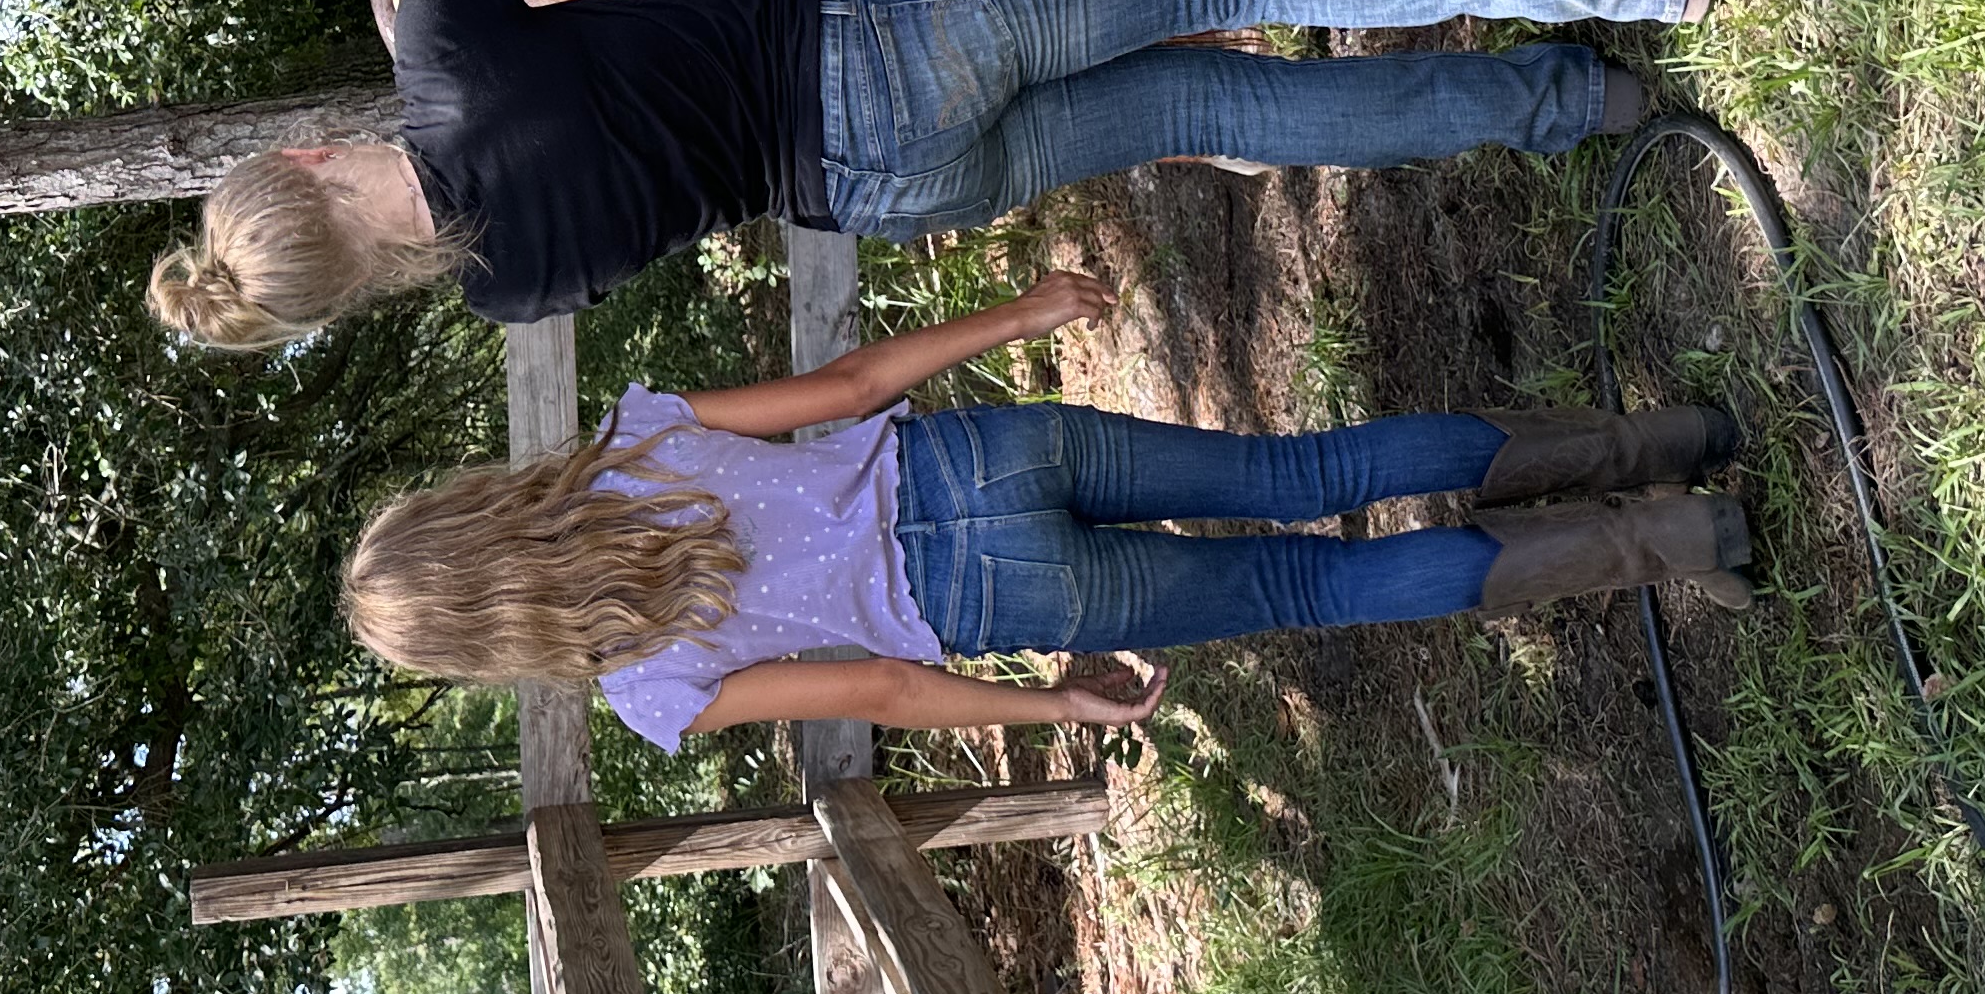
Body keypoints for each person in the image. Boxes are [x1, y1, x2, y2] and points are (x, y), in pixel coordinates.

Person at [147, 0, 1718, 349]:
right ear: (297, 174)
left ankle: (1568, 103)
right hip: (877, 36)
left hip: (875, 191)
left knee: (1218, 108)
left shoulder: (506, 291)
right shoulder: (441, 65)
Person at [336, 266, 1751, 748]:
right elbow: (842, 387)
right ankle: (1664, 434)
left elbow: (886, 688)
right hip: (980, 464)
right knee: (1299, 475)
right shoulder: (630, 445)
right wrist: (1023, 310)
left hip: (1002, 603)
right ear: (471, 512)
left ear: (487, 642)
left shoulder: (651, 689)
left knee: (1306, 590)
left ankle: (1673, 537)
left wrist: (1055, 712)